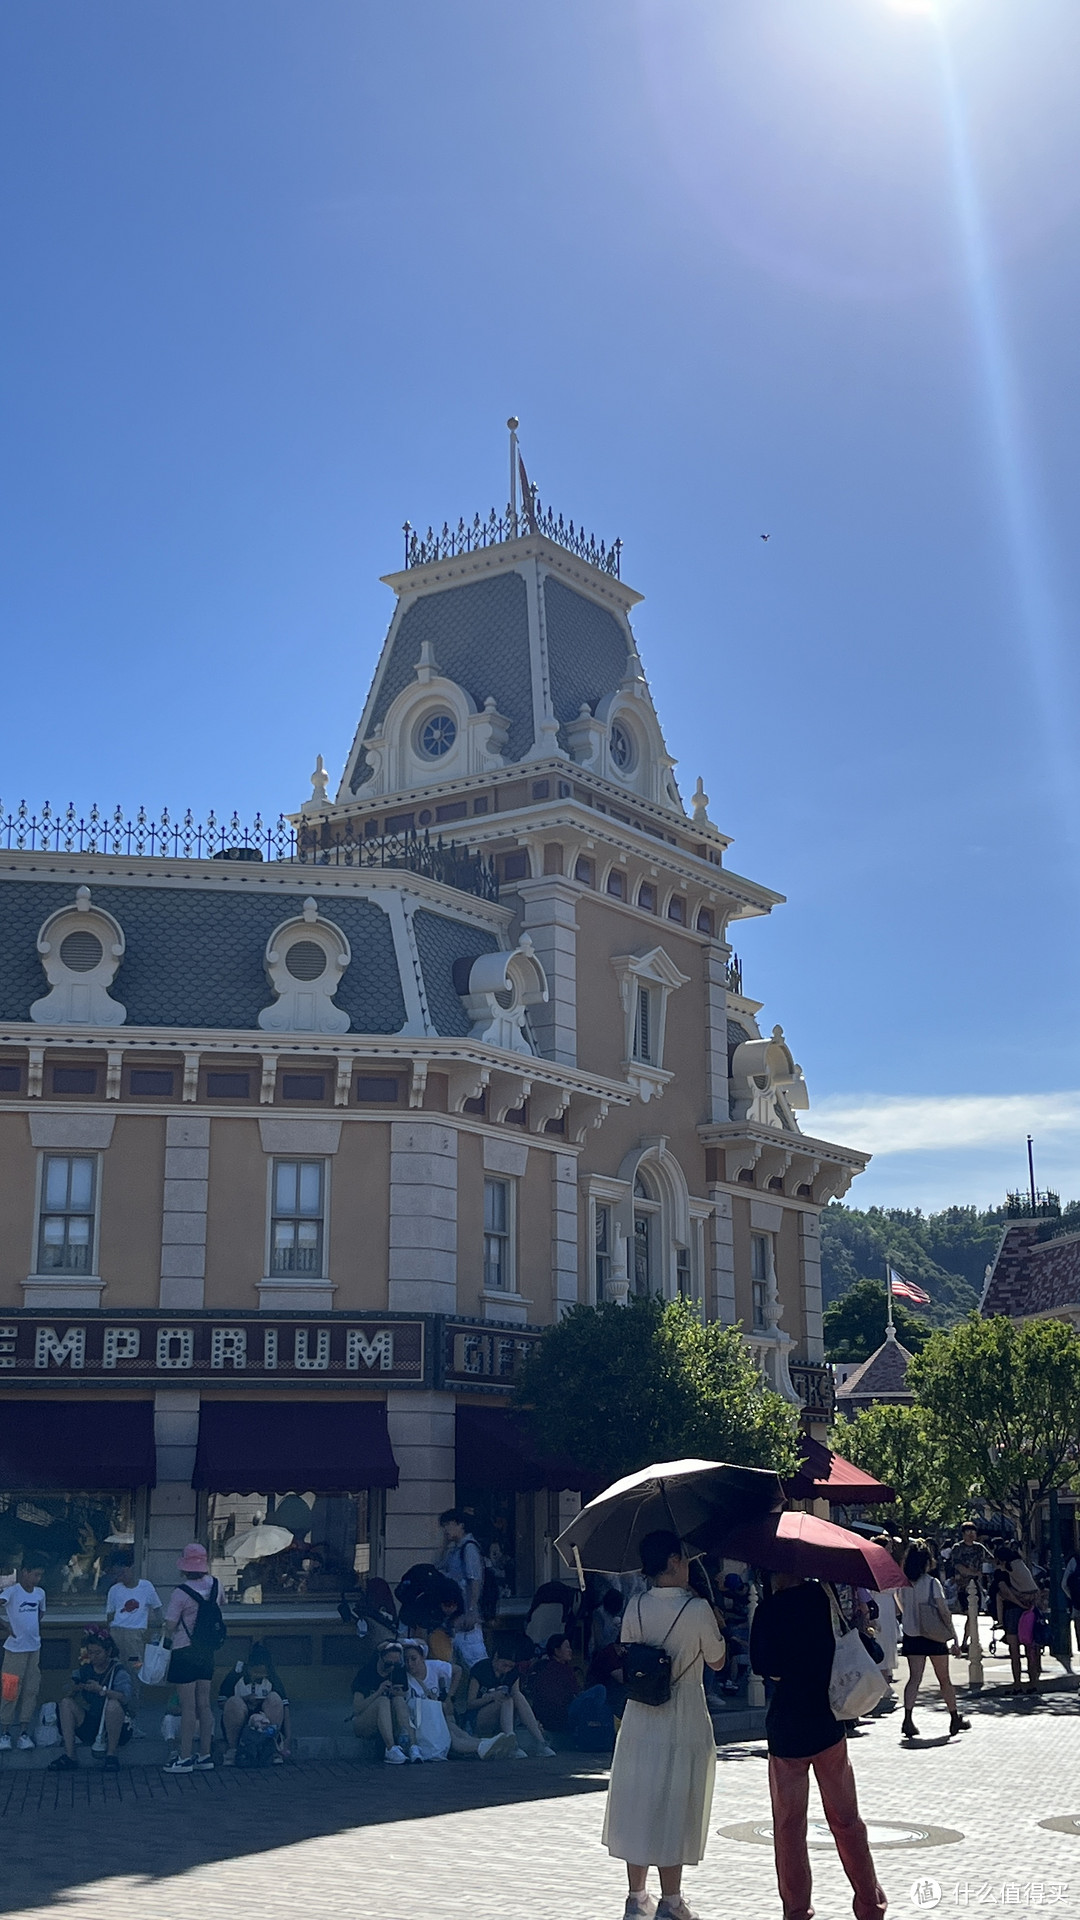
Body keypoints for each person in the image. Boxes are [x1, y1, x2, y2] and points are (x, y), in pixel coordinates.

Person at [603, 1530, 727, 1920]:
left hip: (640, 1715)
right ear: (673, 1561)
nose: (689, 1564)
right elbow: (718, 1661)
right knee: (675, 1802)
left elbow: (630, 1651)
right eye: (685, 1558)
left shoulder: (635, 1605)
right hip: (683, 1714)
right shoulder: (697, 1609)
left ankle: (636, 1896)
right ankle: (671, 1900)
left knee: (638, 1800)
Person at [750, 1572, 886, 1920]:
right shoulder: (823, 1600)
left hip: (787, 1729)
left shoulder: (769, 1610)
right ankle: (869, 1902)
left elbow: (767, 1668)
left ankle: (797, 1910)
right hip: (827, 1722)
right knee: (846, 1820)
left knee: (789, 1827)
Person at [161, 1543, 223, 1775]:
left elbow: (170, 1624)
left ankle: (185, 1757)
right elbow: (220, 1606)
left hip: (184, 1650)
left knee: (188, 1706)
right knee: (204, 1704)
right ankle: (205, 1754)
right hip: (207, 1651)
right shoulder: (217, 1585)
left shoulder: (180, 1592)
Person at [401, 1642, 516, 1762]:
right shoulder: (404, 1678)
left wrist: (449, 1697)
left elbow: (457, 1670)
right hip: (420, 1723)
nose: (410, 1664)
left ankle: (487, 1744)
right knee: (451, 1735)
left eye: (414, 1659)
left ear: (422, 1658)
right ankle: (481, 1746)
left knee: (456, 1730)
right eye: (406, 1660)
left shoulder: (433, 1667)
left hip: (435, 1717)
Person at [900, 1540, 968, 1739]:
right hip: (934, 1635)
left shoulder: (903, 1584)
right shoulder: (931, 1583)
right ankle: (954, 1716)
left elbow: (900, 1607)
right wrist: (953, 1636)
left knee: (914, 1678)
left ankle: (908, 1718)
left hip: (912, 1635)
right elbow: (944, 1611)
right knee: (944, 1679)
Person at [48, 1632, 135, 1772]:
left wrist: (102, 1690)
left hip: (117, 1727)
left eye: (98, 1653)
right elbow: (65, 1690)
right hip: (91, 1723)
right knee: (66, 1703)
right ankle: (70, 1756)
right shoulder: (84, 1670)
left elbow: (125, 1697)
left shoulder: (118, 1671)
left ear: (108, 1652)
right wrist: (74, 1687)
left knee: (113, 1704)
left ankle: (111, 1755)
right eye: (90, 1653)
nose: (93, 1657)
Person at [466, 1640, 556, 1756]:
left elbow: (516, 1696)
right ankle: (511, 1745)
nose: (506, 1669)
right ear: (496, 1658)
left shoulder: (512, 1673)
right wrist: (491, 1697)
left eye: (510, 1666)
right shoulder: (481, 1669)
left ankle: (540, 1741)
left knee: (515, 1696)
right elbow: (470, 1703)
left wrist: (532, 1721)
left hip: (505, 1714)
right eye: (504, 1665)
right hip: (479, 1716)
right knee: (505, 1700)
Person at [0, 1561, 47, 1752]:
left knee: (31, 1689)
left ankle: (23, 1733)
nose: (37, 1579)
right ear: (24, 1572)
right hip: (14, 1649)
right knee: (10, 1689)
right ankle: (4, 1733)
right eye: (34, 1574)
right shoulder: (12, 1591)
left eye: (40, 1576)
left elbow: (41, 1612)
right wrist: (5, 1625)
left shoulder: (40, 1593)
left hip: (33, 1648)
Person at [218, 1645, 290, 1765]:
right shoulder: (236, 1674)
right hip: (242, 1720)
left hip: (264, 1720)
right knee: (233, 1702)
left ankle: (271, 1748)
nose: (258, 1675)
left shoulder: (272, 1678)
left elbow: (284, 1705)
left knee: (275, 1699)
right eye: (255, 1672)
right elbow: (222, 1702)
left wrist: (288, 1737)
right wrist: (244, 1700)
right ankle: (234, 1749)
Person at [352, 1638, 415, 1763]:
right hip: (364, 1722)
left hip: (389, 1721)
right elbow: (357, 1708)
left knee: (398, 1700)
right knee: (382, 1701)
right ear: (380, 1658)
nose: (391, 1667)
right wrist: (379, 1692)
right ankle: (390, 1748)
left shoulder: (398, 1672)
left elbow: (404, 1694)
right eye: (388, 1664)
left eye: (395, 1664)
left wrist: (398, 1693)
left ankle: (413, 1746)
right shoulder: (366, 1673)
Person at [105, 1554, 162, 1690]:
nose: (121, 1577)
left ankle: (136, 1694)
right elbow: (110, 1614)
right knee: (117, 1664)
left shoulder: (146, 1587)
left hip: (135, 1634)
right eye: (117, 1574)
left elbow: (157, 1608)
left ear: (131, 1569)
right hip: (117, 1632)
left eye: (123, 1572)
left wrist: (157, 1630)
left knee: (135, 1664)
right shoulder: (114, 1589)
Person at [437, 1511, 487, 1668]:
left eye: (448, 1525)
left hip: (466, 1615)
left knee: (475, 1660)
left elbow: (475, 1581)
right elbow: (437, 1566)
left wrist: (471, 1611)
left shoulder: (469, 1548)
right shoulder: (454, 1550)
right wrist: (444, 1545)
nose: (445, 1529)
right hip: (453, 1614)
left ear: (461, 1525)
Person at [994, 1543, 1041, 1692]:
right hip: (1030, 1611)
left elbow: (1004, 1592)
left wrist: (1018, 1602)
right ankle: (1033, 1683)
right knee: (1030, 1649)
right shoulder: (1022, 1567)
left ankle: (1017, 1685)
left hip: (1013, 1612)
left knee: (1014, 1651)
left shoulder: (1001, 1572)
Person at [529, 1632, 582, 1733]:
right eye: (567, 1647)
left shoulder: (545, 1667)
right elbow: (576, 1692)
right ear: (557, 1651)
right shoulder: (563, 1669)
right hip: (560, 1714)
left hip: (544, 1715)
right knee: (599, 1690)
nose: (570, 1651)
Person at [951, 1524, 984, 1655]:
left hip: (976, 1585)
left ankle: (968, 1641)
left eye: (973, 1531)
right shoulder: (958, 1548)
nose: (971, 1534)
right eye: (968, 1531)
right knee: (969, 1612)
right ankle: (966, 1641)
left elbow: (989, 1560)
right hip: (963, 1586)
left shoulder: (979, 1548)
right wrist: (973, 1572)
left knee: (973, 1615)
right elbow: (958, 1565)